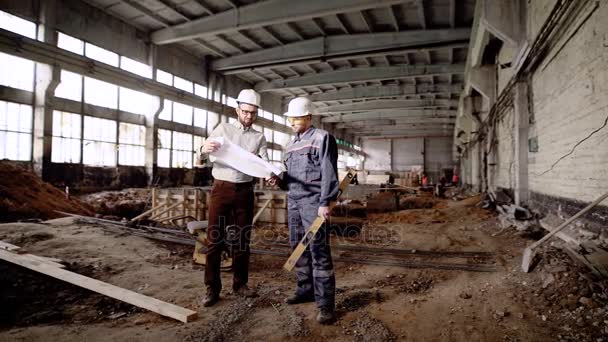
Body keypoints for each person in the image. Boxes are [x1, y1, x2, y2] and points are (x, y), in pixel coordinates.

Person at [198, 89, 271, 307]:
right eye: (246, 112)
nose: (249, 116)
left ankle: (240, 285)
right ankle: (212, 288)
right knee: (215, 239)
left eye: (253, 113)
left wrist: (271, 175)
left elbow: (265, 164)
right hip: (221, 188)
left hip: (245, 191)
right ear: (237, 109)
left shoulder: (259, 137)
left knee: (242, 240)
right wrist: (203, 148)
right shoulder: (223, 129)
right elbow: (202, 153)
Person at [270, 97, 340, 324]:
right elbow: (290, 180)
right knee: (297, 249)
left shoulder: (322, 138)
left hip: (313, 203)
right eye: (290, 118)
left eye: (296, 117)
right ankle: (305, 290)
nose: (291, 121)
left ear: (309, 117)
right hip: (294, 202)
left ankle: (325, 305)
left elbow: (328, 172)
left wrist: (325, 202)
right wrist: (277, 180)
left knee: (319, 251)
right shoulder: (290, 145)